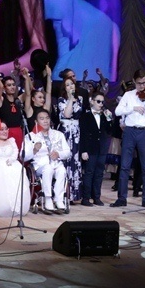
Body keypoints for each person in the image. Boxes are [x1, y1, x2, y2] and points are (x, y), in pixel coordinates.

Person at [111, 70, 145, 208]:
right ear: (134, 81)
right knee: (125, 166)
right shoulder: (128, 95)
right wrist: (133, 108)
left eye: (144, 83)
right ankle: (122, 198)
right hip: (130, 131)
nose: (142, 86)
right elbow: (117, 111)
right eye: (139, 83)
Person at [23, 109, 71, 213]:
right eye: (42, 119)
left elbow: (68, 152)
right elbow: (23, 157)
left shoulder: (58, 134)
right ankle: (48, 199)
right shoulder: (30, 136)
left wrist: (59, 154)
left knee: (62, 170)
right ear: (36, 122)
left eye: (47, 118)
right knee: (48, 169)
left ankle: (59, 199)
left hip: (56, 163)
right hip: (40, 165)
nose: (45, 121)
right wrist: (34, 150)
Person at [0, 121, 30, 216]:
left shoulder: (11, 141)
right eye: (1, 129)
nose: (5, 131)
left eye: (6, 129)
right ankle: (2, 205)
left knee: (19, 171)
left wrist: (12, 159)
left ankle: (16, 204)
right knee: (0, 174)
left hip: (11, 162)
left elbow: (15, 152)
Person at [79, 90, 112, 207]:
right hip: (90, 148)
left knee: (99, 173)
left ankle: (96, 197)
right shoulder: (85, 116)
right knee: (89, 172)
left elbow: (109, 131)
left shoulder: (104, 116)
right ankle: (86, 198)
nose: (101, 104)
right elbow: (83, 134)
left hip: (102, 148)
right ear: (92, 101)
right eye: (98, 101)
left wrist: (109, 119)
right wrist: (83, 150)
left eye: (102, 102)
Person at [57, 76, 84, 205]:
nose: (70, 86)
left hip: (76, 133)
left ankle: (73, 194)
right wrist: (70, 100)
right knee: (65, 160)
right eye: (67, 85)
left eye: (72, 84)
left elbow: (78, 114)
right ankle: (63, 193)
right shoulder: (61, 100)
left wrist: (74, 99)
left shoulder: (80, 99)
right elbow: (67, 114)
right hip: (66, 132)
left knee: (75, 160)